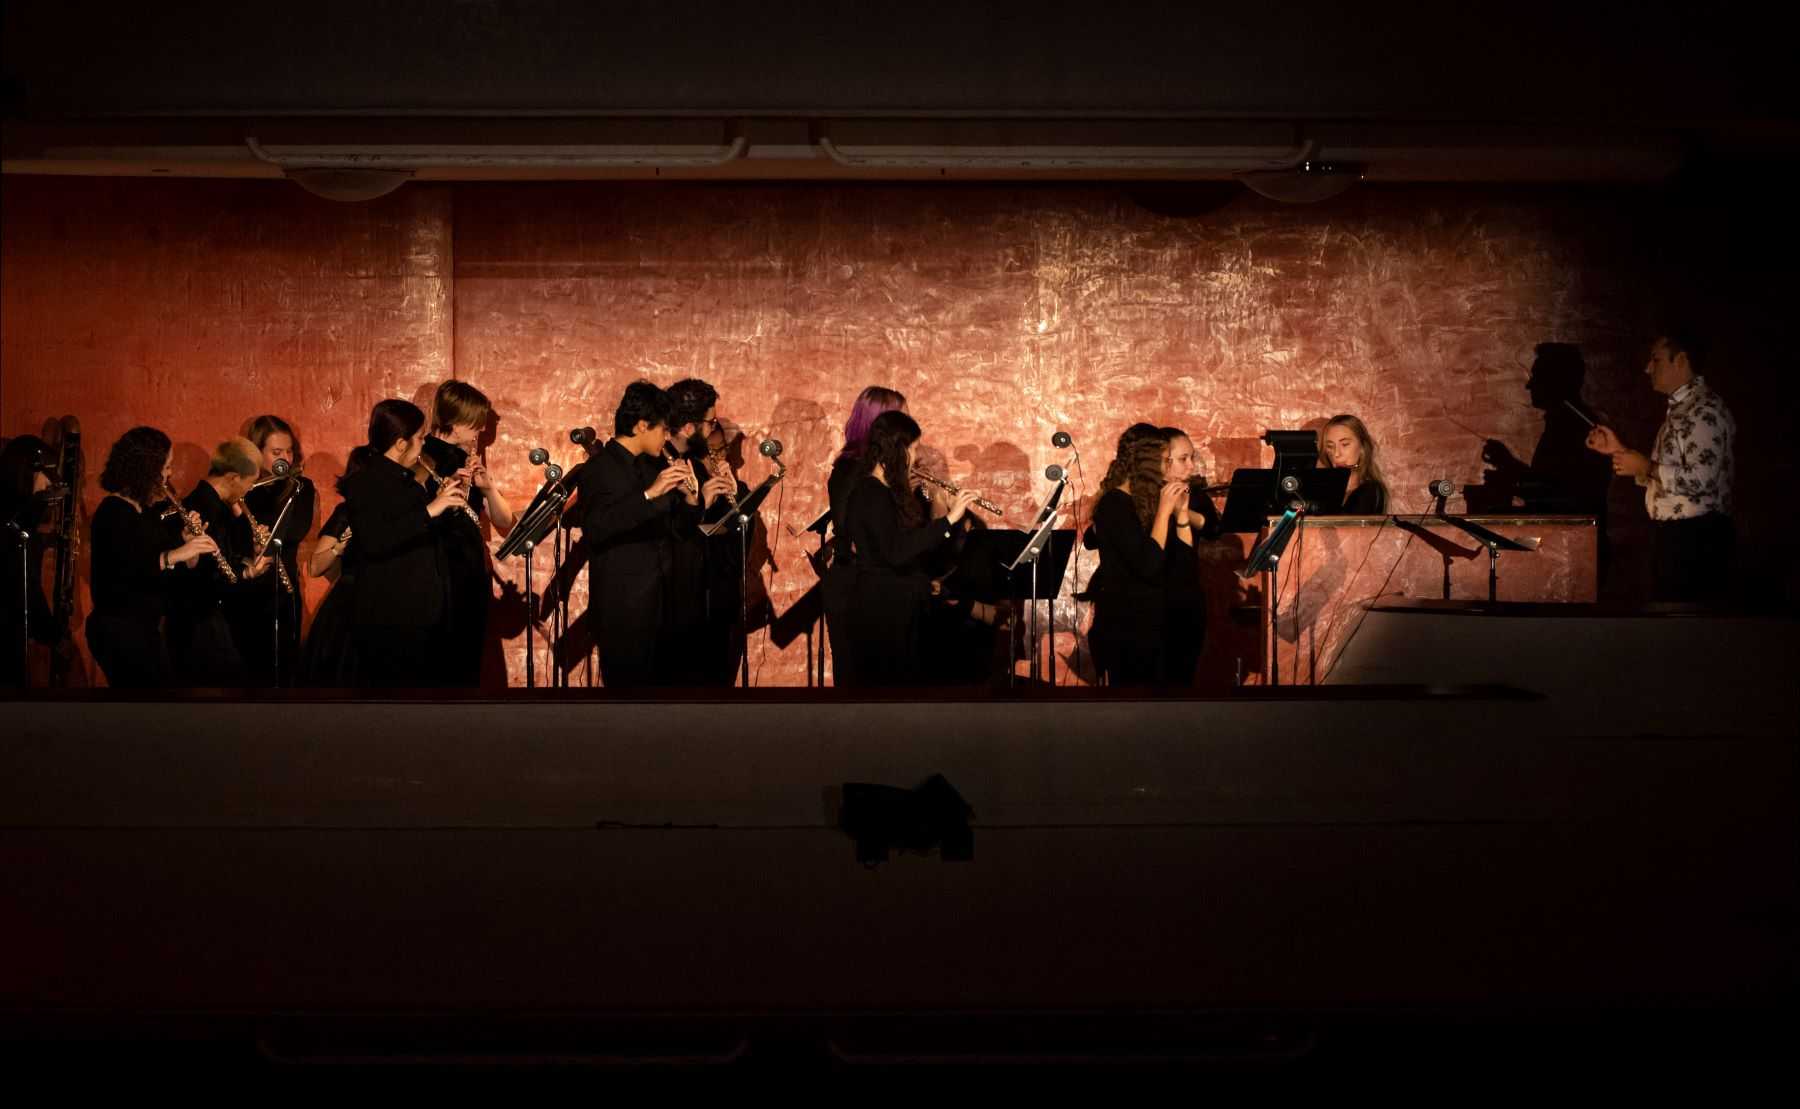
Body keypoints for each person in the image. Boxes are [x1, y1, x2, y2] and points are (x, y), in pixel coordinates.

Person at [1585, 329, 1736, 602]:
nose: (1647, 368)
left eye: (1656, 360)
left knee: (1687, 631)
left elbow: (1702, 480)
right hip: (1679, 540)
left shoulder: (1704, 410)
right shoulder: (1684, 409)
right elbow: (1670, 474)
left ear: (1681, 361)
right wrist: (1619, 451)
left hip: (1695, 542)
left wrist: (1646, 467)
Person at [840, 411, 981, 686]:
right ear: (897, 448)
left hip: (894, 604)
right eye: (913, 448)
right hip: (884, 611)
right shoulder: (872, 494)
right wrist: (949, 520)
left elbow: (909, 547)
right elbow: (896, 552)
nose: (915, 457)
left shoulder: (884, 491)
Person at [338, 399, 467, 688]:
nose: (423, 445)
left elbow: (421, 534)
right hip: (390, 619)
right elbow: (375, 540)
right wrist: (430, 510)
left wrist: (445, 503)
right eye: (420, 438)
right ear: (400, 443)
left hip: (419, 615)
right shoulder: (365, 482)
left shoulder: (407, 482)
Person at [579, 380, 699, 688]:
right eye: (662, 429)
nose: (667, 437)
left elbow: (677, 530)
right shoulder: (599, 469)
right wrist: (648, 495)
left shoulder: (653, 465)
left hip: (663, 606)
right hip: (623, 610)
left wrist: (690, 499)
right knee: (627, 708)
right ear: (642, 426)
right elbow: (596, 529)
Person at [85, 427, 217, 687]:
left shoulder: (146, 513)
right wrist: (176, 553)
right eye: (165, 466)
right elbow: (131, 569)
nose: (168, 474)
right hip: (117, 629)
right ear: (145, 468)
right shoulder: (113, 513)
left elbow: (169, 568)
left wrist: (189, 545)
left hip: (144, 628)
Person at [419, 381, 516, 686]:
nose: (481, 430)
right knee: (448, 663)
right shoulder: (423, 458)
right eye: (475, 423)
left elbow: (505, 521)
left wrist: (487, 487)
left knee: (469, 658)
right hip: (442, 571)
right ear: (455, 422)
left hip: (469, 570)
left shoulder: (466, 460)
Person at [165, 437, 274, 686]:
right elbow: (207, 577)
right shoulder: (202, 509)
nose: (250, 490)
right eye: (250, 482)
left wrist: (251, 555)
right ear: (233, 478)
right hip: (199, 628)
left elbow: (227, 560)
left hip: (208, 623)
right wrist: (246, 574)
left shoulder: (219, 508)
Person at [662, 377, 749, 685]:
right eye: (710, 423)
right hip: (672, 609)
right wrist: (700, 503)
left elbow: (718, 534)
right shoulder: (655, 464)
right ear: (688, 426)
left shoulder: (694, 466)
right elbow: (669, 532)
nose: (713, 430)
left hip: (705, 599)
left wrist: (733, 497)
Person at [1086, 423, 1186, 686]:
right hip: (1125, 631)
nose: (1168, 468)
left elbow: (1181, 562)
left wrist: (1182, 513)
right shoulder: (1114, 504)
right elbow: (1148, 564)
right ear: (1147, 463)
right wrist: (1164, 512)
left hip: (1154, 625)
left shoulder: (1144, 502)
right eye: (1164, 461)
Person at [824, 385, 908, 686]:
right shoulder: (851, 470)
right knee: (860, 692)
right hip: (855, 589)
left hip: (874, 587)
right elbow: (854, 528)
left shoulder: (879, 470)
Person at [238, 414, 317, 684]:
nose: (285, 458)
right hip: (244, 591)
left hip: (282, 591)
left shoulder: (300, 487)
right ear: (256, 453)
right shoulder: (241, 488)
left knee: (284, 669)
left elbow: (295, 531)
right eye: (276, 452)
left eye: (289, 451)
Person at [1, 435, 55, 687]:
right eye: (44, 472)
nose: (48, 482)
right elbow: (23, 582)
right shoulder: (17, 524)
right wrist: (50, 631)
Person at [1319, 414, 1388, 514]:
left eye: (1345, 444)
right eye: (1330, 446)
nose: (1336, 454)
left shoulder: (1371, 490)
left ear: (1362, 447)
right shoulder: (1324, 491)